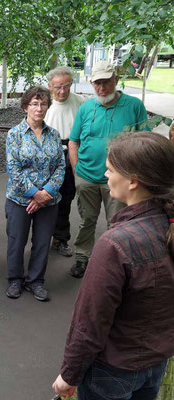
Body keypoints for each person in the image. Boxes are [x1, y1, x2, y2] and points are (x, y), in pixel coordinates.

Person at [52, 132, 174, 400]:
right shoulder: (168, 225)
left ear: (133, 180)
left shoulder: (115, 243)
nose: (105, 175)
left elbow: (91, 322)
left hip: (113, 369)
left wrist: (69, 374)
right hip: (157, 361)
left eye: (109, 169)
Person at [68, 60, 149, 278]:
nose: (102, 88)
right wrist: (77, 171)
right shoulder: (86, 108)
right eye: (97, 84)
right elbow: (73, 141)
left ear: (116, 80)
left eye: (106, 82)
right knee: (87, 220)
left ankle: (115, 262)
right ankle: (82, 256)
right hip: (87, 177)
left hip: (120, 178)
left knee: (119, 223)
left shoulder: (133, 106)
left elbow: (144, 140)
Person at [5, 86, 65, 302]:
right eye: (34, 104)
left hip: (48, 201)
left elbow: (60, 167)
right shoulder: (15, 134)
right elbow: (13, 169)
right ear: (25, 107)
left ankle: (36, 281)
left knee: (42, 242)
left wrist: (45, 194)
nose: (39, 108)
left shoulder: (54, 135)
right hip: (19, 199)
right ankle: (15, 279)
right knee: (16, 240)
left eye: (43, 103)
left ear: (48, 106)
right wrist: (34, 194)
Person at [45, 66, 85, 258]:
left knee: (65, 198)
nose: (62, 91)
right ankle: (42, 239)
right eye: (57, 87)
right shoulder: (42, 102)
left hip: (72, 152)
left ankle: (61, 238)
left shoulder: (80, 102)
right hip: (47, 156)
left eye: (66, 86)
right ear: (49, 86)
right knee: (45, 198)